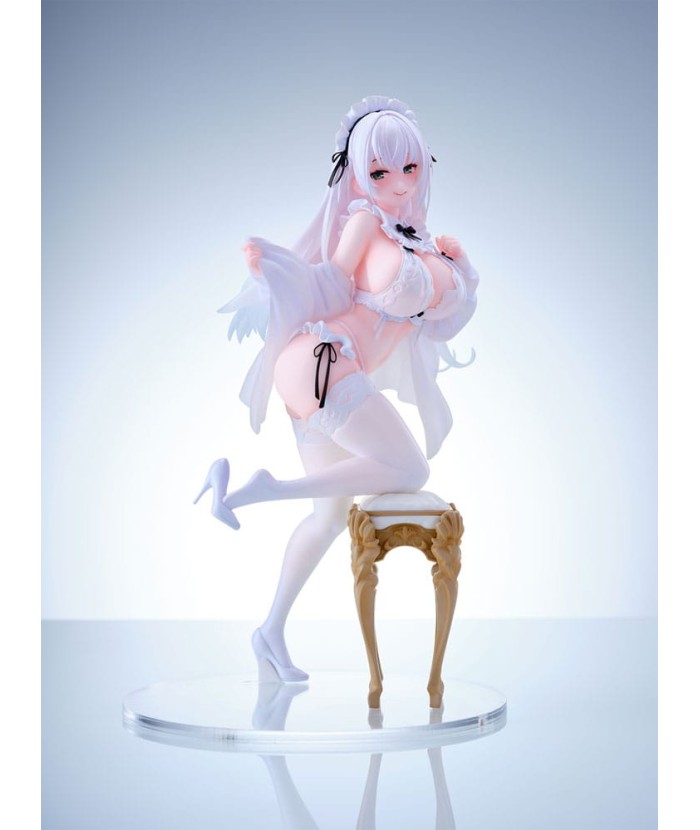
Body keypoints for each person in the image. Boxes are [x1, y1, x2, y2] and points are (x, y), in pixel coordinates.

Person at [194, 96, 480, 681]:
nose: (398, 182)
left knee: (327, 519)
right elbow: (330, 280)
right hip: (324, 360)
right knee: (409, 469)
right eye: (380, 171)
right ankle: (268, 488)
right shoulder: (365, 222)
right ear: (357, 173)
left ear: (423, 165)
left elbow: (441, 323)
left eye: (409, 167)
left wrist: (464, 271)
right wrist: (276, 271)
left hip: (323, 371)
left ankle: (269, 631)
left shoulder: (422, 242)